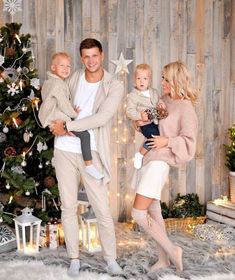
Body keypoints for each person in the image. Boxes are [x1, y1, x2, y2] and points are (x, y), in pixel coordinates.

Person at [47, 38, 125, 277]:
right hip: (64, 151)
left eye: (95, 56)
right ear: (82, 58)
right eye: (86, 57)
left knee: (102, 208)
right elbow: (56, 98)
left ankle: (110, 259)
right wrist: (55, 124)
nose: (91, 61)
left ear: (102, 55)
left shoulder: (114, 84)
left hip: (92, 152)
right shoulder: (74, 77)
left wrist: (69, 124)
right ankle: (74, 258)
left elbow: (102, 118)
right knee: (69, 207)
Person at [131, 61, 198, 272]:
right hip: (149, 157)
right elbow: (150, 123)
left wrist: (166, 141)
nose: (162, 83)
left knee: (137, 214)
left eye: (166, 79)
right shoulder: (163, 100)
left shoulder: (186, 108)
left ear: (176, 81)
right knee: (153, 211)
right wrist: (138, 122)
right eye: (161, 78)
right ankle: (164, 259)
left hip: (159, 163)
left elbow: (189, 143)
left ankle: (172, 250)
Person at [39, 52, 104, 180]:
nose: (66, 69)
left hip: (49, 117)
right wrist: (73, 113)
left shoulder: (49, 82)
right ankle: (89, 165)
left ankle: (68, 132)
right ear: (53, 68)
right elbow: (63, 103)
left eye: (68, 66)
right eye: (62, 65)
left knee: (75, 132)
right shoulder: (58, 84)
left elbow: (53, 100)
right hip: (56, 119)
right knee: (84, 134)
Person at [126, 64, 167, 169]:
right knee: (154, 136)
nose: (141, 81)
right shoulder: (133, 95)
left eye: (145, 78)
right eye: (138, 78)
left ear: (149, 80)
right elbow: (129, 111)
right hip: (145, 123)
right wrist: (139, 115)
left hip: (156, 121)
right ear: (134, 79)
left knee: (159, 136)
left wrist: (161, 104)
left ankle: (150, 156)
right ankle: (140, 154)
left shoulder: (154, 92)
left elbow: (158, 101)